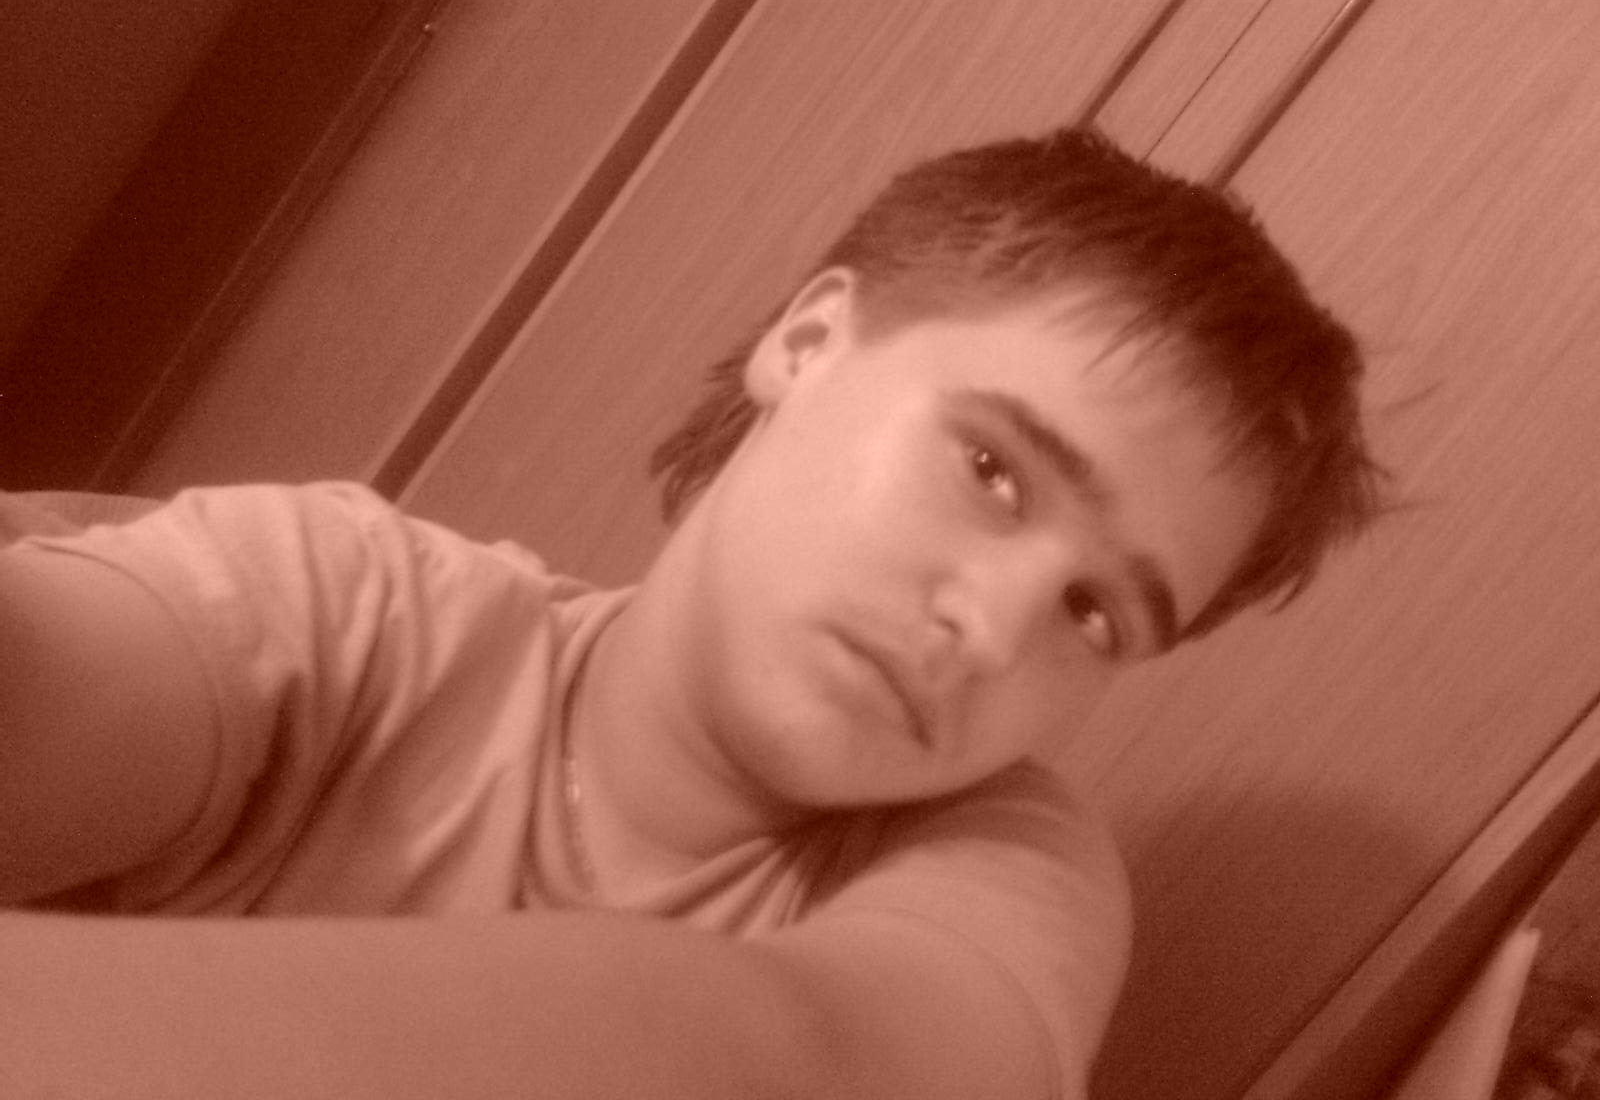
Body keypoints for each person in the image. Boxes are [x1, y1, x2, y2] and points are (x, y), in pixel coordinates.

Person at [0, 127, 1381, 1099]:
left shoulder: (1007, 870)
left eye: (1096, 615)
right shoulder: (352, 612)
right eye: (993, 471)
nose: (994, 627)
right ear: (809, 341)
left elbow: (826, 1068)